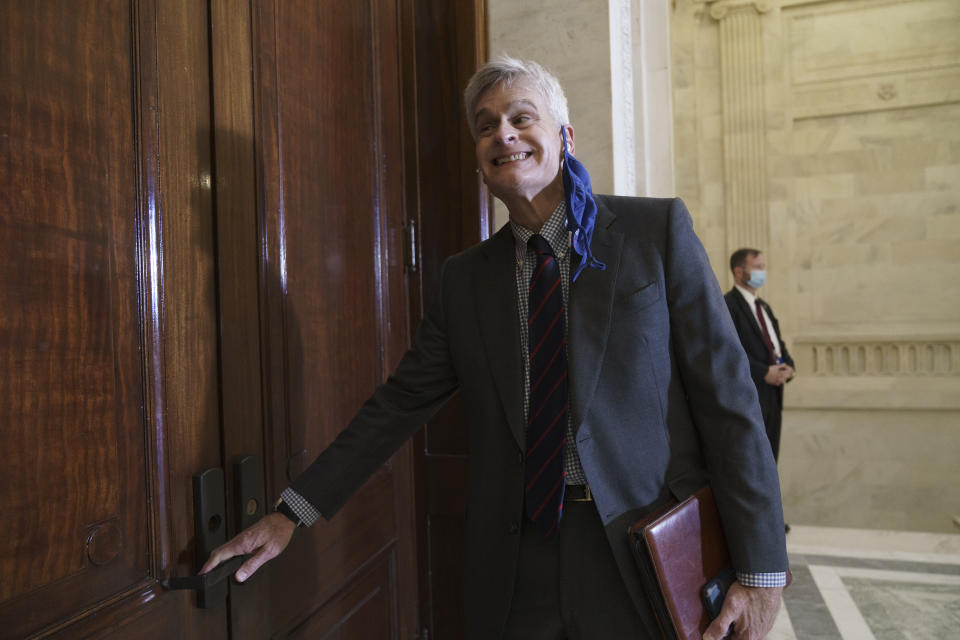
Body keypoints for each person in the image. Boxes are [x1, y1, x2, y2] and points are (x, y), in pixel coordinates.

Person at [202, 56, 788, 640]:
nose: (502, 133)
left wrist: (762, 571)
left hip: (642, 545)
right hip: (518, 563)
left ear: (564, 136)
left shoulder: (653, 233)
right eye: (485, 126)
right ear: (481, 161)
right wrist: (292, 512)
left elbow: (729, 401)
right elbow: (399, 403)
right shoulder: (466, 280)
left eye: (520, 117)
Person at [724, 249, 795, 463]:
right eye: (757, 267)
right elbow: (729, 352)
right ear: (738, 272)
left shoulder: (764, 307)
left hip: (774, 395)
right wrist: (764, 372)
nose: (762, 272)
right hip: (750, 397)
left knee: (771, 461)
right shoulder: (728, 306)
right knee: (753, 463)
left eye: (763, 267)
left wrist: (789, 368)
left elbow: (777, 346)